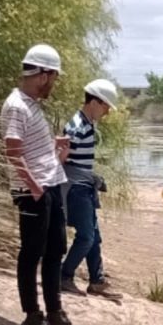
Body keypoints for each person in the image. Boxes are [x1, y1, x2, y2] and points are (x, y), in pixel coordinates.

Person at [1, 43, 83, 325]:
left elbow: (29, 149)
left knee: (54, 251)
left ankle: (55, 314)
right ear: (44, 74)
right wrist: (34, 187)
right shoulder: (16, 105)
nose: (54, 84)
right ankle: (33, 318)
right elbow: (12, 151)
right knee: (32, 253)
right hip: (33, 190)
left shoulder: (31, 105)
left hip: (48, 184)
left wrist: (55, 149)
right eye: (54, 78)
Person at [60, 79, 122, 300]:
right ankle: (64, 276)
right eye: (105, 106)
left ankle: (96, 281)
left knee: (94, 236)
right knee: (86, 237)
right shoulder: (78, 127)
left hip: (84, 186)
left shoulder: (86, 124)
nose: (106, 112)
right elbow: (61, 159)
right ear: (95, 102)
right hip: (77, 188)